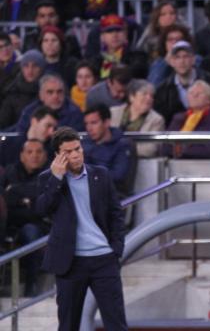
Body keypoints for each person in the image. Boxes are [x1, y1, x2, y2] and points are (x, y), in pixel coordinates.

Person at [35, 126, 127, 330]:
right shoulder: (47, 180)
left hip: (104, 259)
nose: (75, 154)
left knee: (116, 323)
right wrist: (56, 178)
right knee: (68, 324)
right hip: (70, 262)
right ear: (58, 155)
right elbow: (42, 209)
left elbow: (116, 213)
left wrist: (116, 248)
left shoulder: (101, 175)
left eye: (78, 148)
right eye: (68, 152)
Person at [1, 138, 49, 296]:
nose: (34, 156)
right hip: (9, 223)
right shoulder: (9, 171)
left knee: (31, 232)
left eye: (38, 152)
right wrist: (27, 199)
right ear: (22, 155)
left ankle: (31, 286)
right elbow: (4, 199)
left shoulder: (50, 175)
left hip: (39, 225)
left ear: (45, 155)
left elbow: (41, 208)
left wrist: (15, 194)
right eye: (29, 152)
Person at [155, 40, 210, 127]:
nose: (182, 61)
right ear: (172, 62)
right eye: (177, 57)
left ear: (193, 60)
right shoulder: (162, 90)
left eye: (186, 56)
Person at [165, 80, 210, 159]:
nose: (194, 95)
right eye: (191, 93)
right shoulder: (178, 118)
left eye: (199, 93)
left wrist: (180, 149)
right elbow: (165, 147)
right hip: (176, 165)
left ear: (209, 99)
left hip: (205, 167)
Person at [82, 104, 134, 195]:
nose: (89, 128)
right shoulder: (85, 144)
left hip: (112, 194)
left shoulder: (122, 145)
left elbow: (118, 175)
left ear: (106, 123)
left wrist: (92, 176)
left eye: (94, 123)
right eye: (86, 124)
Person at [110, 79, 165, 158]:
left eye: (151, 96)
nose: (149, 98)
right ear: (132, 97)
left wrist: (121, 149)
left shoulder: (157, 120)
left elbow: (149, 149)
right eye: (144, 94)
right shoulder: (113, 113)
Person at [14, 73, 85, 132]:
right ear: (41, 95)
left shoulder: (75, 113)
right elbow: (20, 136)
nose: (55, 96)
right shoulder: (29, 112)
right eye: (50, 92)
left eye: (59, 92)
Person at [88, 14, 148, 80]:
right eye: (109, 31)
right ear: (102, 37)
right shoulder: (95, 61)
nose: (114, 35)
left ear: (125, 35)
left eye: (118, 30)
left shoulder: (137, 57)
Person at [0, 49, 46, 129]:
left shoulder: (51, 89)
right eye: (26, 66)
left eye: (35, 66)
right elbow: (3, 122)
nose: (30, 70)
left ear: (41, 68)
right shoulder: (12, 91)